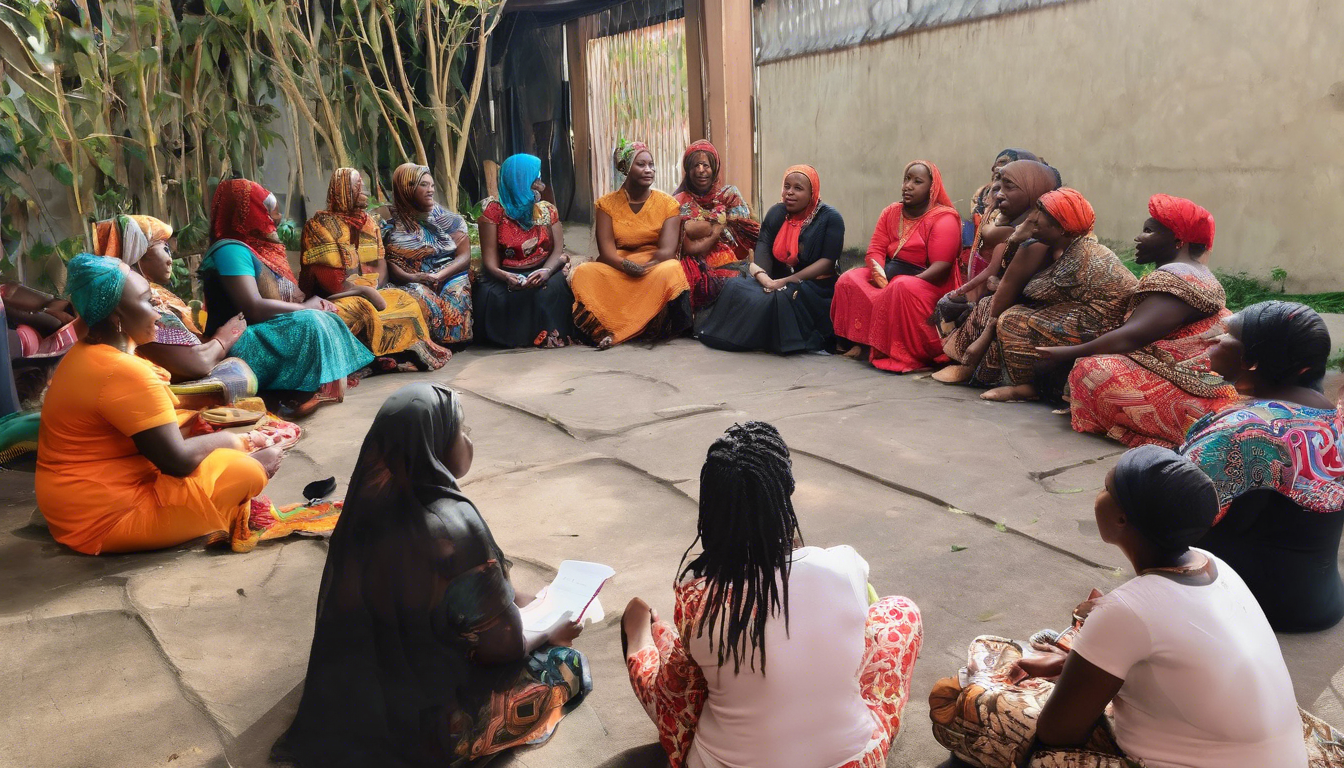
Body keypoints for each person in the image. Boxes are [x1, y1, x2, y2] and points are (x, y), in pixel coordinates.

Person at [930, 445, 1344, 768]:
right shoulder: (1212, 563)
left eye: (1106, 488)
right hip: (1275, 755)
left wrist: (1069, 671)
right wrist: (1066, 665)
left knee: (974, 693)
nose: (1098, 495)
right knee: (1068, 640)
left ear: (1122, 520)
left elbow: (1058, 731)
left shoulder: (1127, 610)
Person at [273, 383, 591, 767]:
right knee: (566, 665)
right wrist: (548, 632)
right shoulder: (453, 525)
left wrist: (517, 598)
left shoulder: (367, 506)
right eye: (461, 430)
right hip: (430, 723)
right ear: (435, 444)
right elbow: (501, 648)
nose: (468, 438)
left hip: (364, 693)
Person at [623, 421, 923, 768]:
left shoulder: (697, 597)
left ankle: (640, 642)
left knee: (680, 670)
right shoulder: (844, 565)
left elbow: (677, 697)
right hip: (853, 763)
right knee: (899, 610)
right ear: (786, 492)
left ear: (711, 511)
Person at [34, 254, 284, 555]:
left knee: (213, 448)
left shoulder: (84, 355)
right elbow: (176, 461)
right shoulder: (122, 371)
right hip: (107, 520)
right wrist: (241, 441)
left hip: (71, 508)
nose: (159, 309)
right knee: (251, 469)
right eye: (148, 301)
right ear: (117, 316)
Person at [1181, 301, 1344, 631]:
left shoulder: (1251, 429)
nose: (1215, 342)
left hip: (1260, 605)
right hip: (1320, 600)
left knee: (1139, 497)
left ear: (1251, 360)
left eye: (1226, 336)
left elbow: (1175, 507)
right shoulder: (1332, 418)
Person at [1065, 195, 1239, 447]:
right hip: (1208, 376)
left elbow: (1131, 337)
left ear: (1178, 240)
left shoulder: (1173, 279)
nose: (1138, 237)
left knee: (1089, 370)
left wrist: (1066, 353)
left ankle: (1191, 430)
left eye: (1148, 231)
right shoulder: (1197, 273)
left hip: (1197, 383)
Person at [199, 178, 373, 416]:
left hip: (260, 332)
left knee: (328, 316)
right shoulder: (230, 249)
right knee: (311, 321)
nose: (273, 218)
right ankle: (293, 395)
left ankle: (308, 389)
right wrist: (308, 307)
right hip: (237, 339)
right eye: (265, 209)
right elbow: (253, 307)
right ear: (245, 210)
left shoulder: (256, 250)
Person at [974, 189, 1138, 402]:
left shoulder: (1079, 256)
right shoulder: (1070, 247)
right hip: (1094, 316)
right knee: (998, 308)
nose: (1032, 217)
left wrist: (1015, 243)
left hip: (1103, 323)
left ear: (1060, 227)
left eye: (1040, 212)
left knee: (1012, 320)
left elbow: (1026, 292)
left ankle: (1032, 389)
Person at [301, 167, 451, 370]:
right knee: (357, 311)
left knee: (406, 300)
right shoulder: (319, 226)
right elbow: (329, 282)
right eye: (357, 186)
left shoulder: (369, 222)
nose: (364, 189)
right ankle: (370, 359)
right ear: (343, 190)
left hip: (371, 291)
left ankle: (398, 354)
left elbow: (380, 264)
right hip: (336, 297)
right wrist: (364, 292)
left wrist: (376, 289)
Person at [93, 214, 254, 392]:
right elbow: (198, 363)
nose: (171, 259)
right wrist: (227, 336)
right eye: (165, 249)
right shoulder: (138, 306)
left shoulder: (155, 296)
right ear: (139, 253)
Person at [934, 160, 1061, 383]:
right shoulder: (1019, 230)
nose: (999, 195)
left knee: (986, 307)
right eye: (998, 188)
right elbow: (995, 265)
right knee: (963, 303)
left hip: (1036, 313)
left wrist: (983, 334)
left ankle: (972, 366)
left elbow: (1008, 287)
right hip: (1014, 300)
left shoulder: (1036, 239)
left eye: (1009, 187)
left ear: (1033, 190)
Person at [695, 165, 844, 354]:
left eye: (798, 188)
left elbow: (827, 263)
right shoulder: (777, 213)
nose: (789, 193)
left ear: (812, 192)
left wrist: (784, 282)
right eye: (786, 186)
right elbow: (763, 249)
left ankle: (769, 337)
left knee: (780, 298)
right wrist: (764, 279)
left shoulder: (830, 218)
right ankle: (721, 335)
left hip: (815, 286)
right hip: (775, 279)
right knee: (735, 286)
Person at [830, 160, 961, 371]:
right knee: (849, 279)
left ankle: (903, 354)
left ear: (931, 188)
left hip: (926, 282)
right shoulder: (891, 212)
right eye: (906, 179)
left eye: (917, 182)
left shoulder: (944, 218)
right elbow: (875, 250)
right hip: (890, 274)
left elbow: (941, 266)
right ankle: (863, 344)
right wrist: (878, 275)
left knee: (901, 287)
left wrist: (900, 284)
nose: (907, 186)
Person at [569, 141, 689, 349]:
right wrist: (626, 266)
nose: (648, 170)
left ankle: (636, 326)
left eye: (651, 164)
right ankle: (602, 328)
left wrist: (644, 268)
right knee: (584, 273)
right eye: (641, 165)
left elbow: (667, 251)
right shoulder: (606, 204)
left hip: (654, 266)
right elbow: (606, 252)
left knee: (672, 269)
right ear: (626, 168)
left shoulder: (668, 204)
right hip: (618, 265)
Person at [473, 153, 577, 348]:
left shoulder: (547, 210)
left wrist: (546, 271)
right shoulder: (493, 212)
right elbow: (490, 261)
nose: (541, 186)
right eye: (535, 180)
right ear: (518, 181)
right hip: (506, 272)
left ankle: (548, 335)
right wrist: (505, 277)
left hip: (543, 267)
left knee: (551, 290)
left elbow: (556, 250)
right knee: (494, 295)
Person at [381, 163, 474, 346]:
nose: (430, 190)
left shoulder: (449, 220)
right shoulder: (388, 225)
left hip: (448, 276)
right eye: (423, 185)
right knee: (414, 295)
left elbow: (465, 256)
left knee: (456, 300)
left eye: (431, 185)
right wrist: (413, 277)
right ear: (406, 188)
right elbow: (388, 262)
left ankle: (445, 342)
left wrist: (438, 276)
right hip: (408, 280)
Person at [673, 140, 759, 309]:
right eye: (695, 166)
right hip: (696, 263)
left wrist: (702, 226)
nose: (700, 170)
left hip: (732, 258)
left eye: (705, 165)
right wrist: (718, 226)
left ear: (714, 168)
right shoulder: (678, 200)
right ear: (688, 170)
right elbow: (685, 241)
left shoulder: (729, 195)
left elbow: (744, 229)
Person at [965, 149, 1040, 295]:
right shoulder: (984, 193)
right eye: (997, 174)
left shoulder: (1031, 214)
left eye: (1008, 178)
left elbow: (992, 233)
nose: (999, 187)